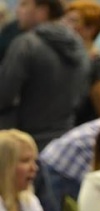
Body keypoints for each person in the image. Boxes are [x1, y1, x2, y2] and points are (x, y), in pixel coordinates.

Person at [0, 0, 89, 150]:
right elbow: (81, 97)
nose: (17, 11)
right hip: (63, 144)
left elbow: (3, 95)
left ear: (42, 10)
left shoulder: (26, 44)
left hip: (25, 147)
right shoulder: (79, 47)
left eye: (24, 4)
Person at [63, 0, 100, 125]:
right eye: (65, 19)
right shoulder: (75, 64)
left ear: (90, 29)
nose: (64, 24)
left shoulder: (98, 67)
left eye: (72, 21)